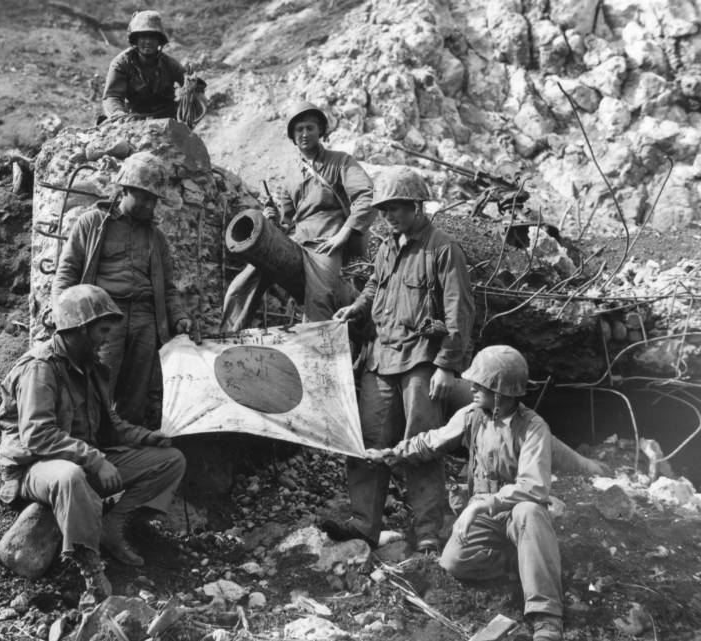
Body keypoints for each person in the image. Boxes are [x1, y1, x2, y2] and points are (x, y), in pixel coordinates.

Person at [0, 285, 187, 600]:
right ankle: (89, 567)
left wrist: (147, 437)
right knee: (69, 476)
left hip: (82, 461)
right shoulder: (39, 368)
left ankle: (113, 527)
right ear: (79, 329)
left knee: (170, 460)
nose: (106, 338)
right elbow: (37, 434)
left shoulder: (92, 370)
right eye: (101, 329)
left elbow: (110, 426)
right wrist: (95, 460)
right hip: (35, 468)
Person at [321, 166, 475, 552]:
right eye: (384, 210)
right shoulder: (388, 247)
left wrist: (447, 365)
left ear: (417, 205)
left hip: (421, 360)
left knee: (421, 443)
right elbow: (376, 285)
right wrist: (356, 308)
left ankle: (426, 530)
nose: (388, 216)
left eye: (396, 209)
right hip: (380, 357)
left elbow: (459, 310)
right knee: (368, 441)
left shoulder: (443, 248)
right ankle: (363, 525)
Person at [365, 345, 564, 641]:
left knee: (530, 511)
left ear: (500, 392)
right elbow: (433, 441)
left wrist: (479, 507)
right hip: (485, 514)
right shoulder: (472, 415)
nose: (471, 387)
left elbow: (533, 488)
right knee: (453, 563)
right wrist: (392, 453)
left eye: (480, 384)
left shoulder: (534, 428)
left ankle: (546, 616)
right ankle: (518, 561)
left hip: (516, 513)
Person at [52, 151, 192, 425]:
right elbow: (67, 272)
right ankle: (92, 444)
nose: (151, 205)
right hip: (103, 318)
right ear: (126, 189)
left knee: (136, 393)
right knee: (98, 384)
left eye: (155, 199)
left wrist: (179, 317)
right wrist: (62, 315)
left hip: (145, 319)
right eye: (145, 197)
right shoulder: (92, 224)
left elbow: (168, 288)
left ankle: (126, 448)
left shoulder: (157, 238)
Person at [220, 100, 375, 331]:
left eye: (310, 127)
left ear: (320, 130)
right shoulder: (289, 174)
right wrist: (272, 219)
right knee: (241, 286)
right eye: (299, 129)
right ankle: (227, 342)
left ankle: (317, 358)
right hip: (295, 239)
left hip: (326, 241)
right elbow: (287, 221)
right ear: (292, 135)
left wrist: (344, 234)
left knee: (321, 297)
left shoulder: (340, 161)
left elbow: (365, 196)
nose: (304, 134)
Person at [102, 10, 198, 121]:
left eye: (153, 37)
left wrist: (193, 93)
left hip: (168, 117)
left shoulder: (170, 64)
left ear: (159, 41)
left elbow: (191, 86)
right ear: (135, 40)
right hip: (134, 117)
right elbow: (112, 96)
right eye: (143, 37)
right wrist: (118, 113)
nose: (148, 41)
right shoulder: (121, 63)